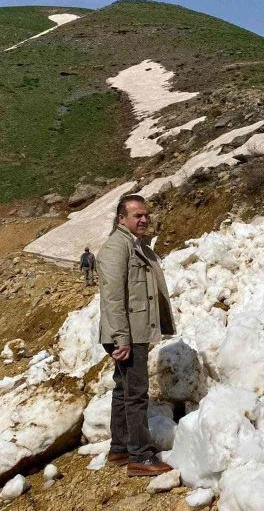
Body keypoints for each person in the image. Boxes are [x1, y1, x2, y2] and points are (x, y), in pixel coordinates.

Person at [97, 194, 176, 477]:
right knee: (136, 394)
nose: (143, 220)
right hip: (128, 333)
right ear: (121, 219)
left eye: (146, 215)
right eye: (136, 216)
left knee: (124, 390)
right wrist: (121, 338)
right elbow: (113, 298)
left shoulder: (132, 245)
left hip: (134, 330)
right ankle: (140, 455)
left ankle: (119, 448)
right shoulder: (116, 248)